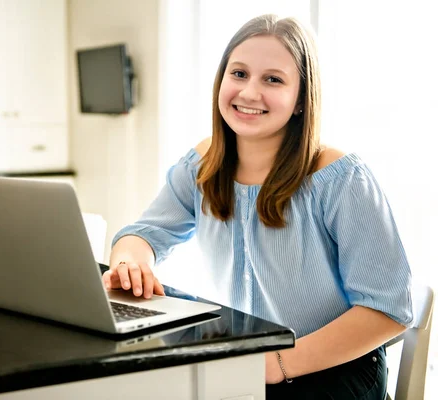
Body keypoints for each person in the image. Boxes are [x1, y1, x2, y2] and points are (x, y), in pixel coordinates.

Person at [101, 13, 414, 399]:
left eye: (273, 79)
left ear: (301, 99)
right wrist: (130, 262)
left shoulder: (342, 179)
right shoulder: (203, 163)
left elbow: (388, 310)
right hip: (250, 361)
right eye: (239, 73)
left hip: (332, 368)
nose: (249, 92)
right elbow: (144, 234)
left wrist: (280, 363)